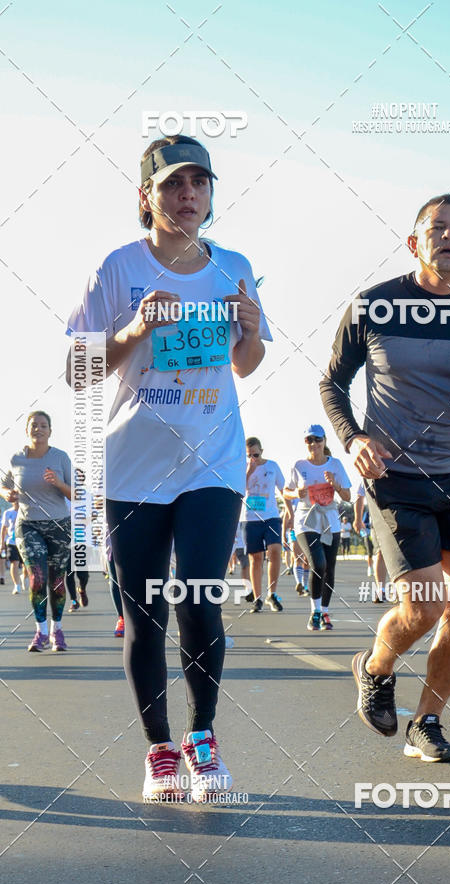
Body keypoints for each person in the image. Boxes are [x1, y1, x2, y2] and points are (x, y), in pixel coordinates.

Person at [65, 134, 271, 802]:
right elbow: (76, 371)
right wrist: (131, 332)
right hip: (135, 467)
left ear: (211, 193)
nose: (188, 197)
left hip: (212, 460)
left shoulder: (233, 263)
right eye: (173, 185)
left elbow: (245, 364)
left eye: (199, 184)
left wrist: (250, 327)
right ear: (146, 196)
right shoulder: (117, 269)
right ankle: (159, 752)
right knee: (146, 612)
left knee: (202, 598)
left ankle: (203, 740)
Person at [320, 193, 450, 761]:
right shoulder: (373, 305)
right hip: (398, 476)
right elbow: (331, 385)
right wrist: (354, 438)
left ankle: (427, 722)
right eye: (437, 227)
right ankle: (375, 665)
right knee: (423, 604)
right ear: (414, 242)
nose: (449, 236)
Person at [1, 411, 72, 652]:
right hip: (28, 523)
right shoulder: (17, 459)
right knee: (37, 579)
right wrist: (6, 494)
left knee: (57, 581)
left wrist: (59, 483)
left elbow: (76, 494)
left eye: (43, 426)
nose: (38, 429)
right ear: (27, 430)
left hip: (59, 524)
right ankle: (40, 631)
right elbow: (5, 486)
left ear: (50, 431)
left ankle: (57, 630)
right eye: (34, 425)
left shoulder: (61, 457)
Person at [284, 424, 351, 630]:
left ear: (324, 441)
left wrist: (335, 485)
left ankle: (324, 612)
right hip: (306, 520)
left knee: (329, 569)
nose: (313, 444)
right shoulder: (299, 465)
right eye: (309, 440)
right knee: (318, 563)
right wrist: (297, 494)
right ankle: (314, 611)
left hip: (330, 519)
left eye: (317, 440)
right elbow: (286, 491)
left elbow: (347, 497)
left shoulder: (335, 465)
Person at [242, 437, 285, 612]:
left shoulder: (272, 466)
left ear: (262, 451)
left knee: (275, 550)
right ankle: (258, 598)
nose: (253, 458)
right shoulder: (243, 468)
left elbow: (284, 489)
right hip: (251, 518)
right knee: (255, 558)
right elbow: (238, 488)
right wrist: (249, 471)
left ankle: (272, 594)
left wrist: (289, 510)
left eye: (256, 454)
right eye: (249, 455)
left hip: (271, 516)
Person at [354, 481, 388, 603]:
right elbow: (359, 496)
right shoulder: (368, 473)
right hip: (378, 522)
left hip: (402, 519)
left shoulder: (402, 467)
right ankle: (381, 590)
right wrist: (358, 519)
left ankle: (401, 590)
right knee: (380, 553)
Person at [1, 500, 27, 594]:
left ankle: (24, 577)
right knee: (14, 563)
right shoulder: (8, 512)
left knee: (26, 566)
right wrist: (2, 543)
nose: (16, 502)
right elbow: (4, 528)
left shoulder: (26, 511)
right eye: (15, 501)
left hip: (24, 542)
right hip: (12, 542)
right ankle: (16, 585)